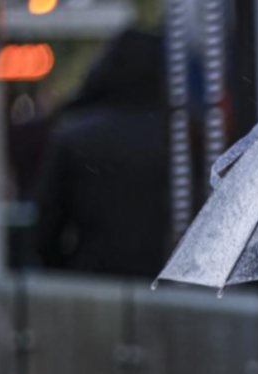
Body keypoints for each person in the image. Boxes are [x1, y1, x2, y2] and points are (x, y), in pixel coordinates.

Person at [33, 28, 172, 278]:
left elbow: (47, 225)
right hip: (163, 280)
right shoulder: (178, 136)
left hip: (93, 277)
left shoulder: (75, 135)